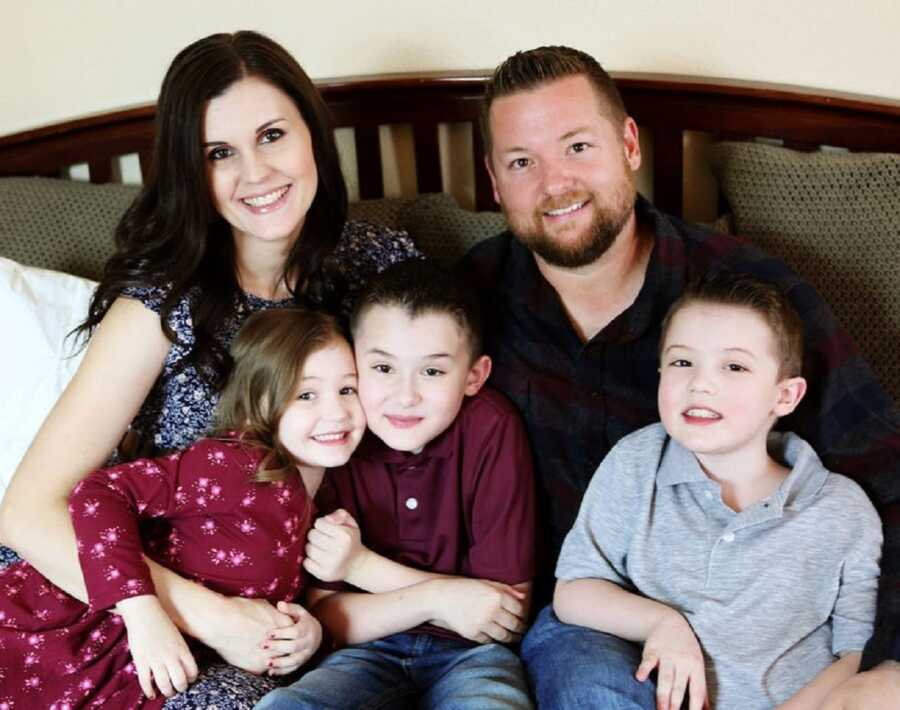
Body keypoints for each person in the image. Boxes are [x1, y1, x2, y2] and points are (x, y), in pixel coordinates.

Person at [0, 30, 418, 705]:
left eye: (272, 135)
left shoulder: (376, 267)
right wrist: (205, 617)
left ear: (313, 133)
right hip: (110, 608)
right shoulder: (165, 305)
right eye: (219, 153)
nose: (257, 174)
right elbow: (25, 513)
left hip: (282, 613)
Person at [460, 45, 900, 678]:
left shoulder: (748, 299)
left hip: (746, 624)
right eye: (522, 161)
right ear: (495, 180)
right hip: (575, 622)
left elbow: (886, 478)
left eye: (578, 147)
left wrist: (882, 668)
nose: (555, 183)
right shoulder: (465, 306)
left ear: (629, 145)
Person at [540, 273, 881, 709]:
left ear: (786, 397)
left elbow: (857, 652)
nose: (700, 383)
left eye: (734, 367)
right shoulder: (638, 461)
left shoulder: (842, 508)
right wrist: (663, 623)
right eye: (683, 363)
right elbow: (573, 591)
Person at [0, 308, 366, 708]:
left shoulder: (324, 506)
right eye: (306, 394)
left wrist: (306, 634)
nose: (336, 412)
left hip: (148, 672)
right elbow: (99, 492)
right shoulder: (233, 463)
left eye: (348, 390)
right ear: (256, 404)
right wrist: (141, 609)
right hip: (70, 631)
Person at [255, 261, 536, 709]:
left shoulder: (491, 429)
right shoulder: (335, 438)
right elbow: (327, 614)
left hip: (472, 657)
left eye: (432, 372)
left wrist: (361, 567)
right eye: (383, 368)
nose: (405, 396)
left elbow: (505, 616)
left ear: (474, 377)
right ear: (353, 361)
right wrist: (441, 597)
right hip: (362, 653)